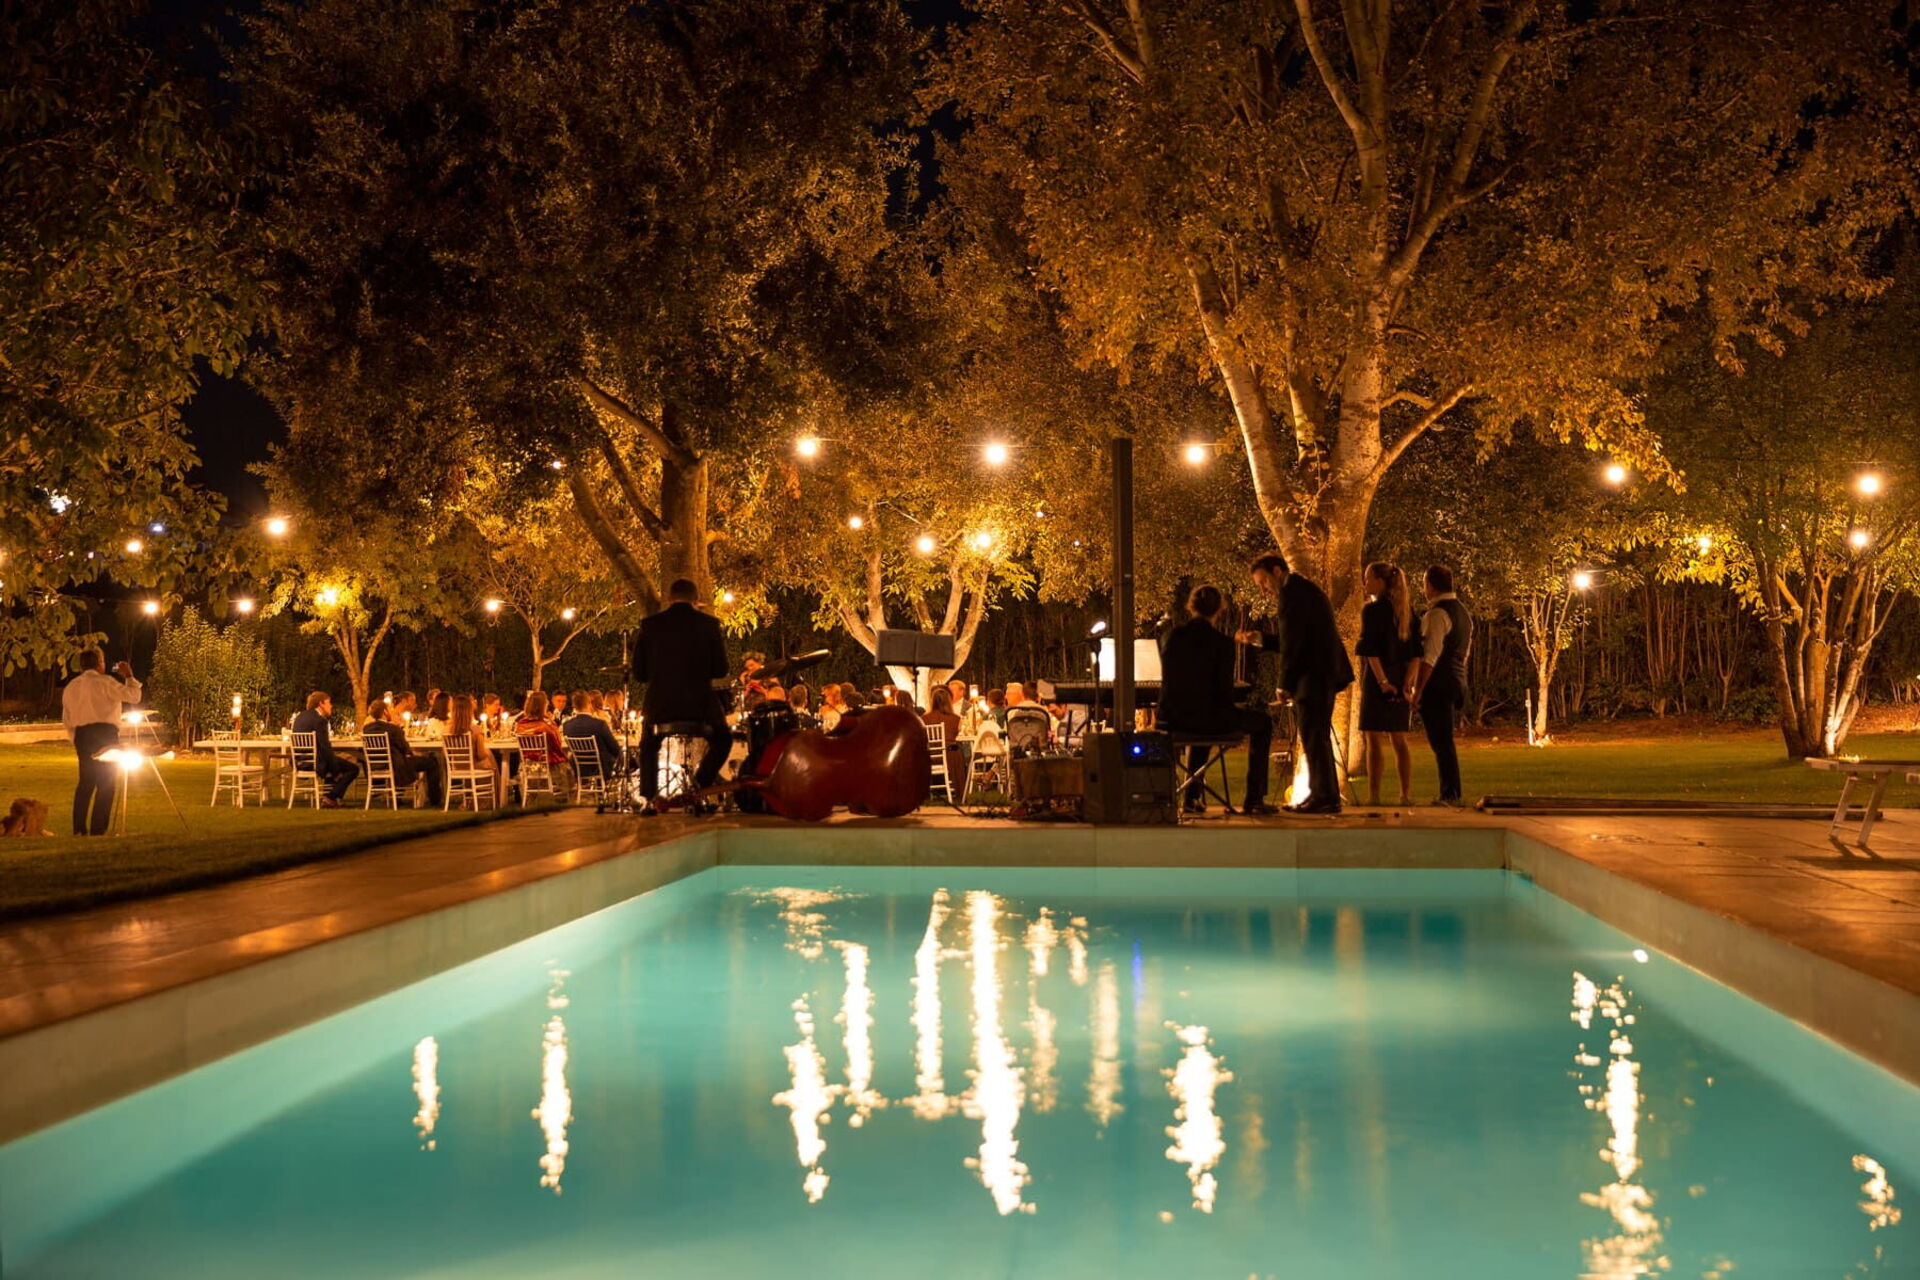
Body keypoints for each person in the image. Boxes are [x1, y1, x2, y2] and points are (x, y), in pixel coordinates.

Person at [1237, 552, 1353, 814]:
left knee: (1314, 735)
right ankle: (1324, 794)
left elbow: (1294, 645)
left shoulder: (1292, 595)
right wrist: (1262, 639)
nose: (1264, 589)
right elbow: (1294, 638)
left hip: (1314, 675)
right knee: (1315, 735)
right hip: (1321, 672)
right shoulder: (1302, 590)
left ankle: (1324, 797)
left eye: (1263, 581)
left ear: (1277, 571)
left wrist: (1284, 684)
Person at [1161, 585, 1276, 814]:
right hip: (1207, 719)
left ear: (1191, 606)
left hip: (1172, 719)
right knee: (1262, 723)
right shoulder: (1223, 643)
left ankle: (1192, 797)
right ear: (1220, 609)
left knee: (1204, 719)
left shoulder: (1172, 637)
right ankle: (1254, 799)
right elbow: (1223, 693)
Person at [632, 578, 732, 813]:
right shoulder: (709, 625)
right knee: (723, 740)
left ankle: (648, 797)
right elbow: (721, 670)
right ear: (696, 599)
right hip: (700, 706)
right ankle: (698, 785)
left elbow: (640, 674)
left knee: (648, 743)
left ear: (669, 598)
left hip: (660, 706)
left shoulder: (650, 625)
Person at [1405, 564, 1474, 806]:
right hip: (1456, 679)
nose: (1423, 589)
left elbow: (1430, 657)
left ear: (1431, 586)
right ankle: (1450, 792)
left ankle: (1451, 793)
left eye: (1424, 583)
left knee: (1441, 742)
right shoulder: (1463, 613)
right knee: (1443, 741)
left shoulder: (1437, 614)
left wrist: (1418, 690)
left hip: (1438, 684)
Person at [1356, 562, 1420, 806]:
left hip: (1378, 678)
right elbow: (1416, 653)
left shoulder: (1372, 611)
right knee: (1398, 738)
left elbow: (1370, 651)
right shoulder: (1406, 612)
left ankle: (1374, 795)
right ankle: (1405, 794)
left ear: (1380, 582)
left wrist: (1383, 682)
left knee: (1373, 738)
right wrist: (1407, 683)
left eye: (1368, 579)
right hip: (1400, 676)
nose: (1365, 584)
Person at [60, 648, 142, 835]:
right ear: (99, 663)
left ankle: (79, 828)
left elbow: (67, 718)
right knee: (106, 782)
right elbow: (134, 697)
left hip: (82, 734)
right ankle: (98, 828)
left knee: (85, 782)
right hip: (105, 733)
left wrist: (75, 738)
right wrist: (129, 676)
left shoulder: (72, 686)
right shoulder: (106, 682)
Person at [362, 700, 445, 807]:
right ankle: (435, 799)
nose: (392, 712)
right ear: (385, 712)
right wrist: (410, 753)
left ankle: (398, 797)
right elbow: (405, 748)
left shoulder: (367, 729)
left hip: (377, 764)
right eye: (390, 710)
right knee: (432, 762)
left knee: (409, 760)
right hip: (397, 765)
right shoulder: (393, 729)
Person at [291, 691, 359, 806]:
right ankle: (330, 797)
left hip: (299, 761)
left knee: (334, 761)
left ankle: (328, 797)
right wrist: (336, 771)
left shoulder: (299, 717)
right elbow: (325, 748)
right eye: (329, 703)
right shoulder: (320, 721)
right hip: (316, 763)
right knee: (353, 769)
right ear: (321, 704)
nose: (331, 706)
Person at [448, 694, 501, 803]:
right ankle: (493, 799)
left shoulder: (447, 730)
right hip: (474, 766)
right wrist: (487, 754)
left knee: (489, 755)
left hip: (456, 766)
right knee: (491, 759)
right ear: (469, 711)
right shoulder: (475, 730)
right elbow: (481, 755)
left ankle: (471, 799)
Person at [563, 688, 622, 779]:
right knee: (624, 756)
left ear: (574, 705)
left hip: (578, 767)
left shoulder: (567, 726)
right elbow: (615, 749)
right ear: (589, 703)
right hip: (601, 767)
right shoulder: (600, 724)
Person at [923, 686, 965, 782]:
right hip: (949, 754)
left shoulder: (924, 718)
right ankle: (958, 782)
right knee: (957, 747)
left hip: (930, 755)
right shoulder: (956, 718)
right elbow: (958, 734)